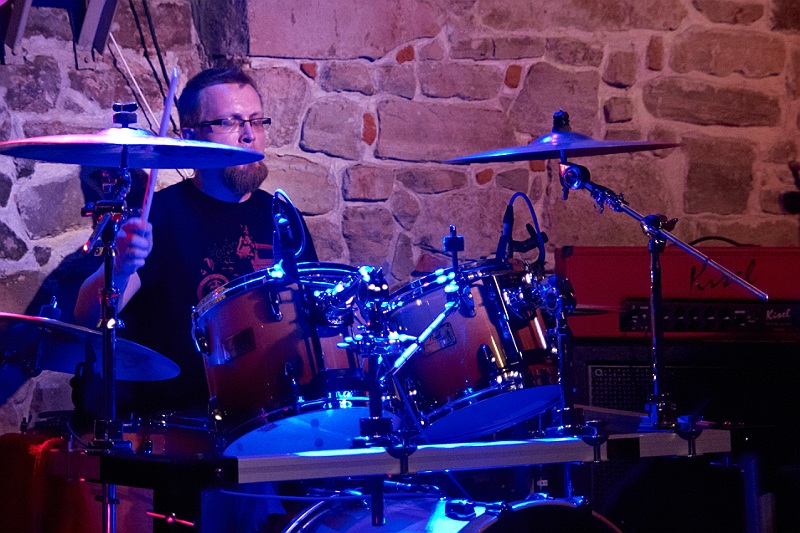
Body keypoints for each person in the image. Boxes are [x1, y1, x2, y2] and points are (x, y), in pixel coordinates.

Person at [75, 67, 317, 418]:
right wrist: (122, 267)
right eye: (231, 122)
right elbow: (86, 315)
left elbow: (312, 319)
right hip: (187, 423)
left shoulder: (281, 216)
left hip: (278, 414)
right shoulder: (160, 215)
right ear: (191, 137)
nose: (249, 135)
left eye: (257, 121)